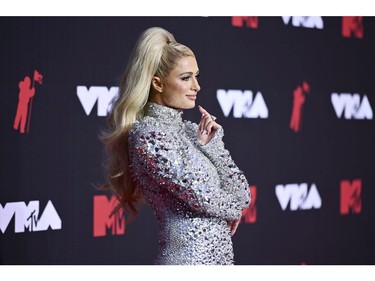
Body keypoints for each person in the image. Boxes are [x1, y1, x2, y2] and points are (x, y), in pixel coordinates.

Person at [101, 26, 251, 265]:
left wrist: (213, 148)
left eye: (196, 76)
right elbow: (205, 198)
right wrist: (232, 210)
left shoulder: (194, 132)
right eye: (185, 78)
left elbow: (242, 196)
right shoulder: (148, 137)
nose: (197, 87)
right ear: (158, 84)